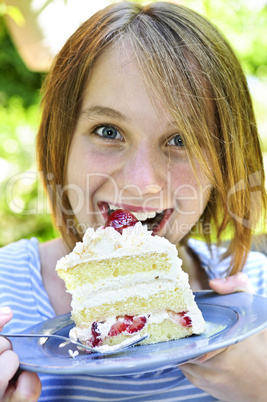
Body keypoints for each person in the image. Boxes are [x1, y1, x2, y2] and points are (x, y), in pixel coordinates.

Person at [0, 1, 266, 401]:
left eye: (181, 140)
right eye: (108, 131)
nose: (141, 184)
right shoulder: (6, 301)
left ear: (224, 161)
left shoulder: (257, 294)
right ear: (61, 141)